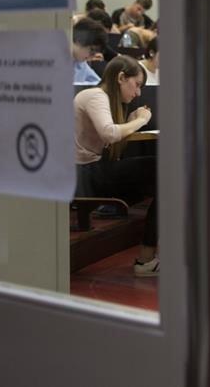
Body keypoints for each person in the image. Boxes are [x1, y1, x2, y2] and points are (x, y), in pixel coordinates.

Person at [73, 55, 158, 276]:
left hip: (91, 172)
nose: (138, 92)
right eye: (136, 85)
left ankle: (147, 257)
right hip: (85, 174)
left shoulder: (104, 99)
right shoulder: (94, 95)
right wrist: (141, 120)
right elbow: (109, 133)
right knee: (166, 172)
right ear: (121, 77)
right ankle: (146, 258)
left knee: (166, 178)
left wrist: (130, 120)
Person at [72, 18, 108, 85]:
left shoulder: (82, 64)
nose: (92, 56)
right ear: (79, 40)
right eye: (92, 50)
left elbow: (100, 84)